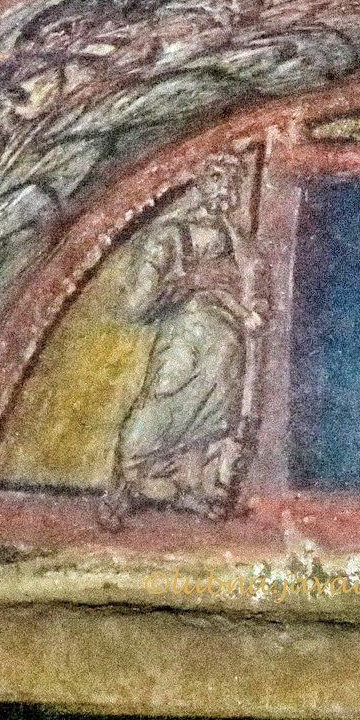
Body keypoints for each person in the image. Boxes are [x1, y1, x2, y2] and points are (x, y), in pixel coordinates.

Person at [109, 155, 258, 520]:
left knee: (216, 416)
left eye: (232, 181)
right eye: (217, 178)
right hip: (184, 339)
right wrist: (187, 283)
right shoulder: (170, 235)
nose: (225, 188)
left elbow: (254, 283)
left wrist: (254, 303)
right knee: (163, 403)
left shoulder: (238, 240)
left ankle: (195, 488)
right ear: (200, 183)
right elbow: (136, 303)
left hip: (227, 341)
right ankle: (131, 481)